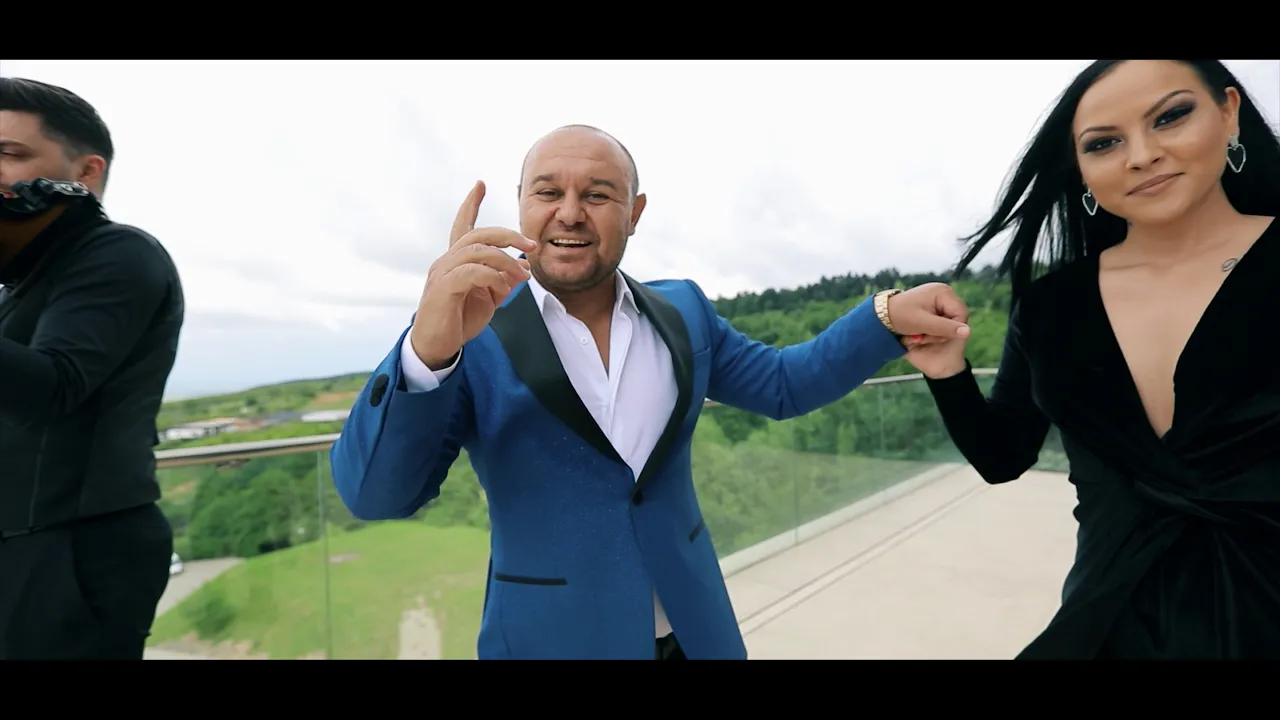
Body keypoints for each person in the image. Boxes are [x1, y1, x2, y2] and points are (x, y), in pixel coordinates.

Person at [330, 123, 971, 660]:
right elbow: (377, 496)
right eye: (548, 192)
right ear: (521, 205)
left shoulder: (683, 310)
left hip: (695, 634)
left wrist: (884, 317)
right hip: (552, 642)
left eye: (598, 193)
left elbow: (783, 385)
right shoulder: (469, 328)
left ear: (634, 213)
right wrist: (427, 349)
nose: (570, 212)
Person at [904, 60, 1280, 659]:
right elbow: (1003, 457)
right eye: (1104, 143)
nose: (1142, 155)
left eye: (1171, 116)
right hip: (1107, 625)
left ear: (1229, 112)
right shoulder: (1051, 307)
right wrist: (948, 370)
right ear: (1080, 169)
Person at [0, 78, 185, 659]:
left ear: (86, 171)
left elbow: (53, 387)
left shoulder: (120, 252)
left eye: (10, 153)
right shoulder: (24, 284)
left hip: (71, 552)